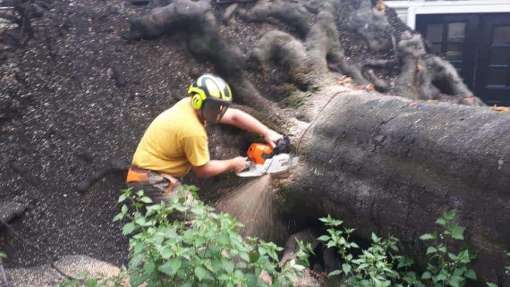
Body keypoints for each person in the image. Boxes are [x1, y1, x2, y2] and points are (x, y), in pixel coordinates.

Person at [126, 74, 282, 202]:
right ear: (198, 100)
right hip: (149, 180)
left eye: (222, 106)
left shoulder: (189, 105)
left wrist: (267, 132)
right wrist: (233, 164)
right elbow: (203, 170)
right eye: (215, 107)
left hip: (151, 174)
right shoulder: (192, 130)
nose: (219, 112)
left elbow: (234, 116)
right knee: (197, 221)